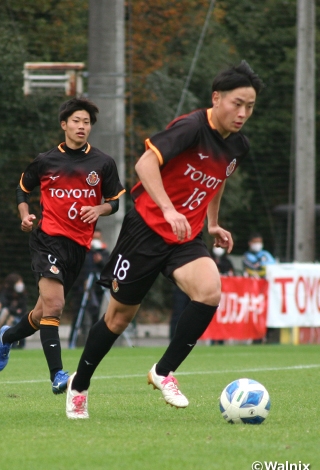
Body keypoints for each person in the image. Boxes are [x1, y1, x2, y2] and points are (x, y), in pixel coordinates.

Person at [65, 61, 264, 419]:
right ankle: (79, 384)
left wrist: (214, 224)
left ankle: (163, 371)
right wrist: (169, 209)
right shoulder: (191, 127)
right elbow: (144, 165)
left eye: (249, 106)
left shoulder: (238, 146)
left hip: (185, 236)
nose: (243, 113)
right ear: (216, 98)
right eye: (237, 103)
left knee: (209, 291)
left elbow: (217, 180)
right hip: (145, 229)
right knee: (117, 319)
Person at [0, 97, 125, 394]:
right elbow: (22, 189)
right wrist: (25, 216)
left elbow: (115, 202)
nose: (82, 126)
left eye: (87, 122)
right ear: (64, 125)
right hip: (47, 240)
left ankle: (8, 337)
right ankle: (57, 374)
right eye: (76, 121)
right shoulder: (46, 160)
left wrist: (99, 209)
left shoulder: (103, 163)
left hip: (78, 248)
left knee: (41, 314)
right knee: (55, 305)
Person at [0, 273, 28, 347]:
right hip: (9, 316)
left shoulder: (22, 294)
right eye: (18, 282)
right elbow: (4, 304)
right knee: (8, 316)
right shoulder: (5, 293)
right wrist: (15, 310)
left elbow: (23, 309)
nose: (20, 284)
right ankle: (1, 338)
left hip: (18, 317)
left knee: (13, 320)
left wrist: (14, 311)